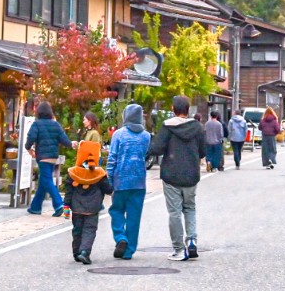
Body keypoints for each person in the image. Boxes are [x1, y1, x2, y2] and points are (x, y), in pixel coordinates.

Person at [147, 95, 206, 261]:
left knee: (174, 212)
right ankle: (192, 240)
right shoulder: (197, 127)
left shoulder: (167, 126)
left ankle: (179, 249)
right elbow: (203, 151)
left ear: (173, 109)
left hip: (171, 174)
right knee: (190, 208)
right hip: (191, 174)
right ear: (187, 109)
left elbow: (157, 149)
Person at [107, 103, 150, 260]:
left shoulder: (118, 134)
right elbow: (145, 154)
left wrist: (109, 180)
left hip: (120, 180)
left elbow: (112, 158)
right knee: (134, 216)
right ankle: (129, 250)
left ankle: (120, 237)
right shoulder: (146, 136)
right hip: (139, 181)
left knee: (116, 210)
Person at [63, 140, 113, 264]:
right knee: (89, 229)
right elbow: (108, 189)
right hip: (93, 207)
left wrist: (66, 205)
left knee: (77, 230)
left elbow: (69, 192)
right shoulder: (99, 173)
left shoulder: (73, 172)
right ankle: (85, 251)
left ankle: (76, 252)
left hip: (76, 207)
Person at [26, 101, 75, 216]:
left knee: (47, 180)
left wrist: (28, 148)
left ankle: (60, 205)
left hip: (43, 157)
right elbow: (64, 139)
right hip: (53, 157)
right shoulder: (56, 124)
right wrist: (71, 144)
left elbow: (31, 137)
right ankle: (35, 207)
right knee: (43, 182)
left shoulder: (37, 124)